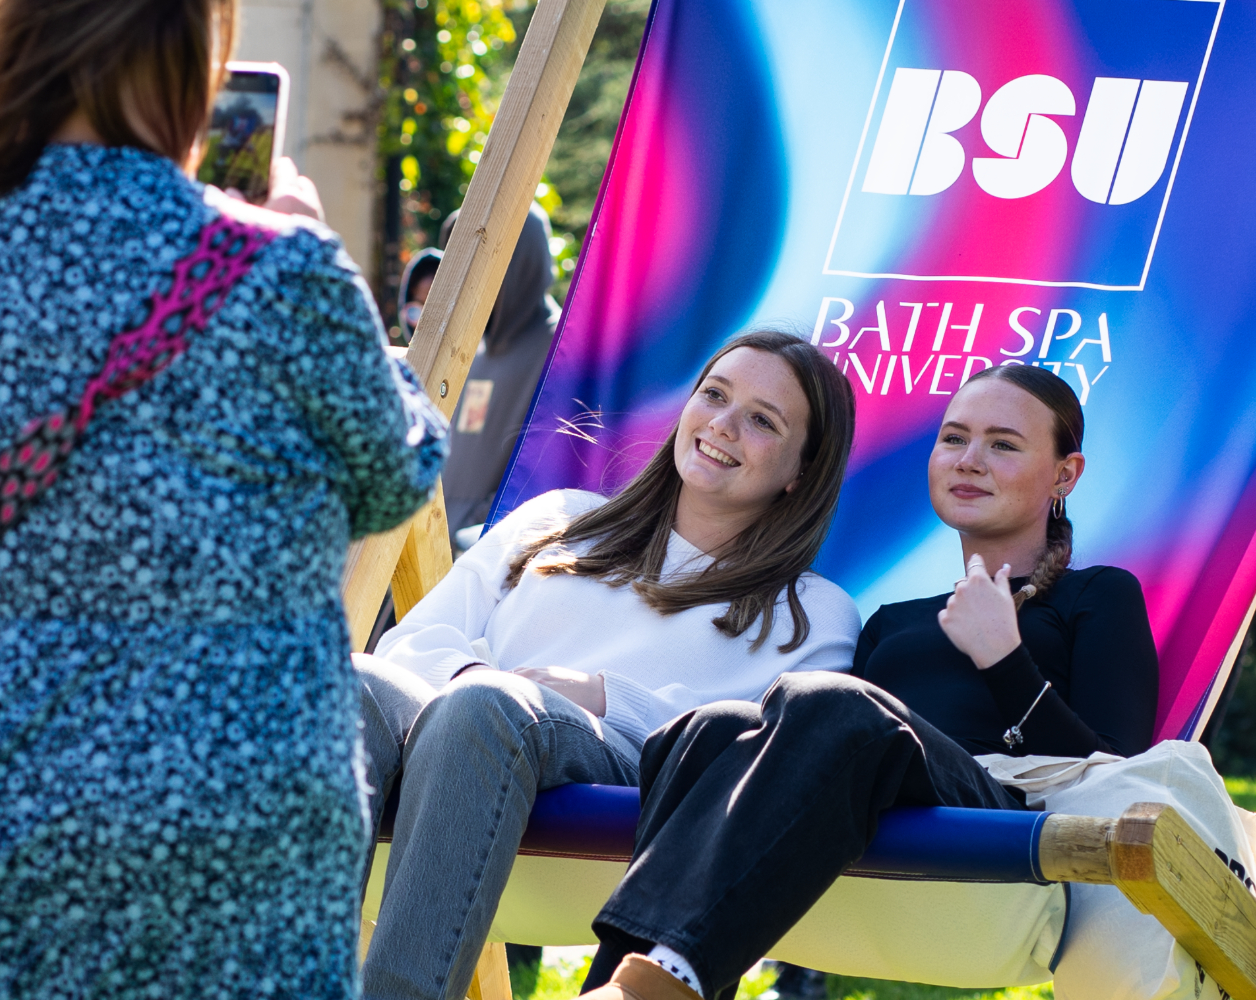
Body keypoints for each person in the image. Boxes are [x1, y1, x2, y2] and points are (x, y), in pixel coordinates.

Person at [0, 0, 449, 996]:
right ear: (194, 67)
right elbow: (396, 474)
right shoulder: (283, 270)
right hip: (247, 823)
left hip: (4, 804)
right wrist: (311, 252)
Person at [573, 364, 1160, 1000]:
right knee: (713, 728)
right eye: (954, 438)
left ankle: (667, 981)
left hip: (1005, 839)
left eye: (1004, 444)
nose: (969, 460)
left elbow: (1116, 768)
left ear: (1065, 474)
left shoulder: (1098, 595)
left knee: (835, 703)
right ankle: (619, 985)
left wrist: (1004, 659)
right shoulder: (892, 623)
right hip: (876, 843)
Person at [357, 330, 864, 1000]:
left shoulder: (811, 611)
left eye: (762, 421)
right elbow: (414, 643)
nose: (723, 424)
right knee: (349, 682)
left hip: (620, 778)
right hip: (462, 736)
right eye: (714, 394)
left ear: (801, 469)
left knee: (487, 711)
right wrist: (475, 680)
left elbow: (760, 748)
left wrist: (598, 694)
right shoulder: (561, 519)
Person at [398, 205, 561, 551]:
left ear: (517, 258)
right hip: (427, 540)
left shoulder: (560, 346)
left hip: (485, 555)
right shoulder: (470, 347)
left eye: (478, 255)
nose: (464, 274)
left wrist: (474, 531)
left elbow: (546, 471)